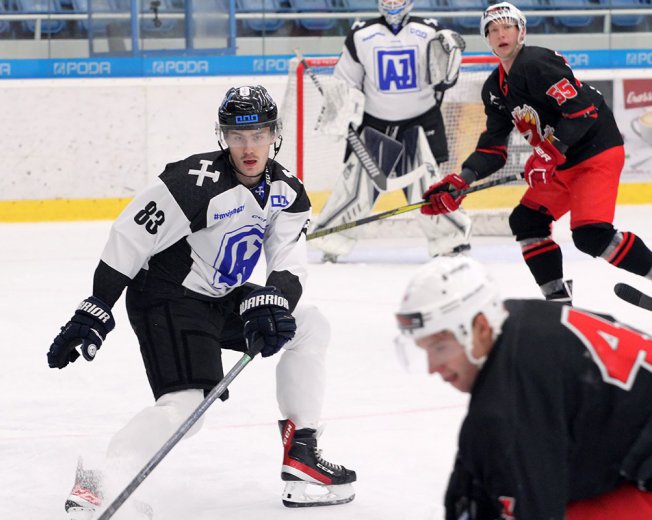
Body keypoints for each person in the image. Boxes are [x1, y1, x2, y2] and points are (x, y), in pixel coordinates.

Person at [46, 85, 356, 519]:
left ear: (274, 134)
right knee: (186, 407)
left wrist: (275, 302)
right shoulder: (192, 182)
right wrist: (97, 305)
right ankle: (100, 480)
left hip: (220, 296)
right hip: (167, 296)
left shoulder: (288, 191)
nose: (248, 148)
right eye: (237, 136)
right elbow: (131, 237)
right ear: (223, 137)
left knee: (310, 325)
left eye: (258, 135)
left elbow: (288, 261)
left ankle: (301, 452)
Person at [421, 1, 652, 303]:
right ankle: (557, 301)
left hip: (595, 153)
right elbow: (493, 147)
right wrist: (462, 180)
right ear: (486, 39)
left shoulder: (537, 62)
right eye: (493, 30)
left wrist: (547, 153)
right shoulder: (494, 89)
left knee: (591, 234)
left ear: (521, 32)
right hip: (561, 162)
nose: (501, 33)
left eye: (507, 26)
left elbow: (581, 112)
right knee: (527, 221)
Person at [395, 255, 652, 519]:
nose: (432, 367)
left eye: (440, 347)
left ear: (481, 328)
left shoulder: (514, 395)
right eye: (425, 349)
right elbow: (475, 479)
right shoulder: (513, 326)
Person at [309, 0, 472, 262]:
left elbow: (443, 81)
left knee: (427, 186)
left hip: (419, 124)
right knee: (357, 187)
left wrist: (450, 72)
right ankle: (331, 241)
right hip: (375, 125)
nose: (392, 4)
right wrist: (342, 112)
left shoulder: (429, 30)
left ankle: (450, 240)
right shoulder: (361, 34)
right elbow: (346, 81)